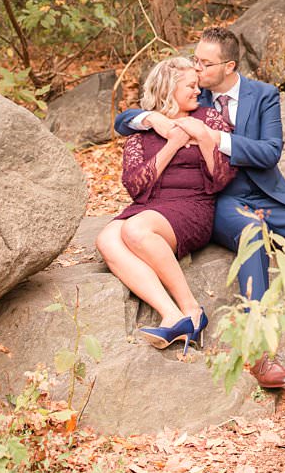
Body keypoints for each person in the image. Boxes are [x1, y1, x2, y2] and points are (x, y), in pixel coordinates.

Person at [115, 26, 285, 389]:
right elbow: (129, 117)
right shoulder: (193, 94)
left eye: (205, 63)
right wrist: (149, 118)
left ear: (229, 66)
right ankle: (260, 350)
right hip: (221, 198)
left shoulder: (263, 95)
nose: (197, 69)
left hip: (269, 195)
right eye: (195, 61)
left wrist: (215, 138)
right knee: (252, 234)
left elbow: (270, 151)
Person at [96, 57, 236, 349]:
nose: (198, 91)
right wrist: (172, 142)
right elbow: (135, 186)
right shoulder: (142, 130)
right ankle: (171, 315)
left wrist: (205, 140)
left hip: (191, 206)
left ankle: (192, 310)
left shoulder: (208, 118)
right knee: (107, 239)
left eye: (197, 86)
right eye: (190, 86)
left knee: (135, 230)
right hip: (150, 205)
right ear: (169, 88)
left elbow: (223, 177)